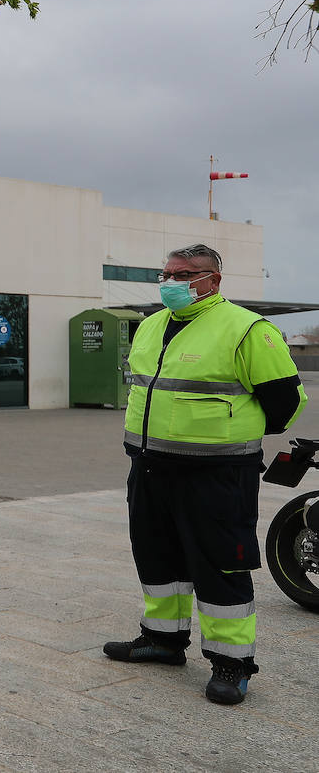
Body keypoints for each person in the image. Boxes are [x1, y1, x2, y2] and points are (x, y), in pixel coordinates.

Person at [103, 244, 307, 705]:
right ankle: (162, 639)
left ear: (212, 280)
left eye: (183, 274)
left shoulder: (247, 328)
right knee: (157, 556)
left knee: (221, 564)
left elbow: (286, 402)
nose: (171, 282)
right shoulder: (152, 325)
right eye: (167, 273)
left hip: (216, 474)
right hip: (149, 466)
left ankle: (231, 662)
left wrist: (234, 432)